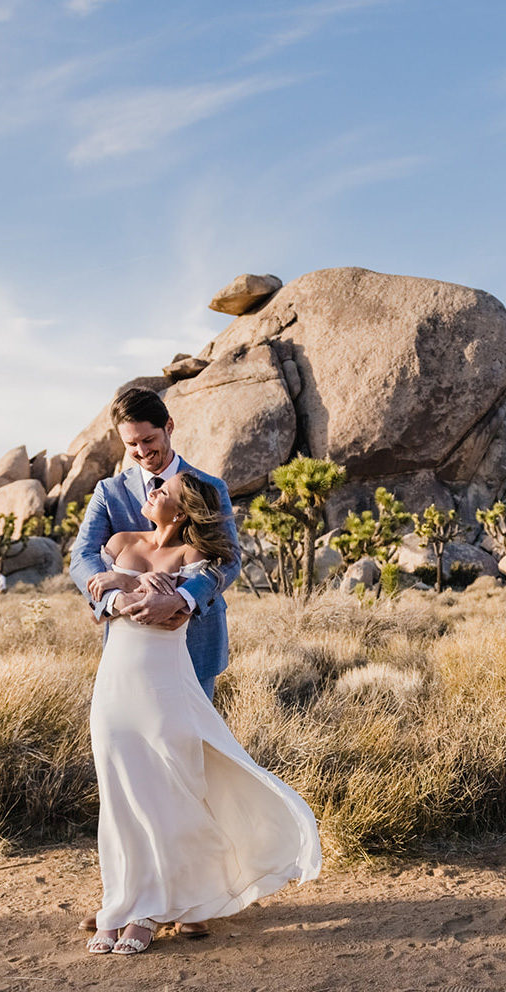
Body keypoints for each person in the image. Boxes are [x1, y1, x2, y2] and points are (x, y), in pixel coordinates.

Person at [83, 470, 321, 956]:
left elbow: (170, 610)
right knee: (119, 794)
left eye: (163, 493)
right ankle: (121, 900)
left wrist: (125, 582)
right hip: (113, 687)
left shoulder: (196, 558)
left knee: (165, 793)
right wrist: (124, 582)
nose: (153, 493)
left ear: (184, 511)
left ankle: (153, 909)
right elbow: (97, 602)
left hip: (163, 686)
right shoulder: (122, 539)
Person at [69, 386, 241, 701]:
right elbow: (81, 558)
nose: (142, 451)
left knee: (190, 742)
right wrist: (117, 598)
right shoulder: (109, 492)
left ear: (169, 427)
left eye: (148, 440)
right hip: (128, 644)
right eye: (131, 444)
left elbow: (229, 561)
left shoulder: (212, 488)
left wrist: (182, 599)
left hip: (195, 641)